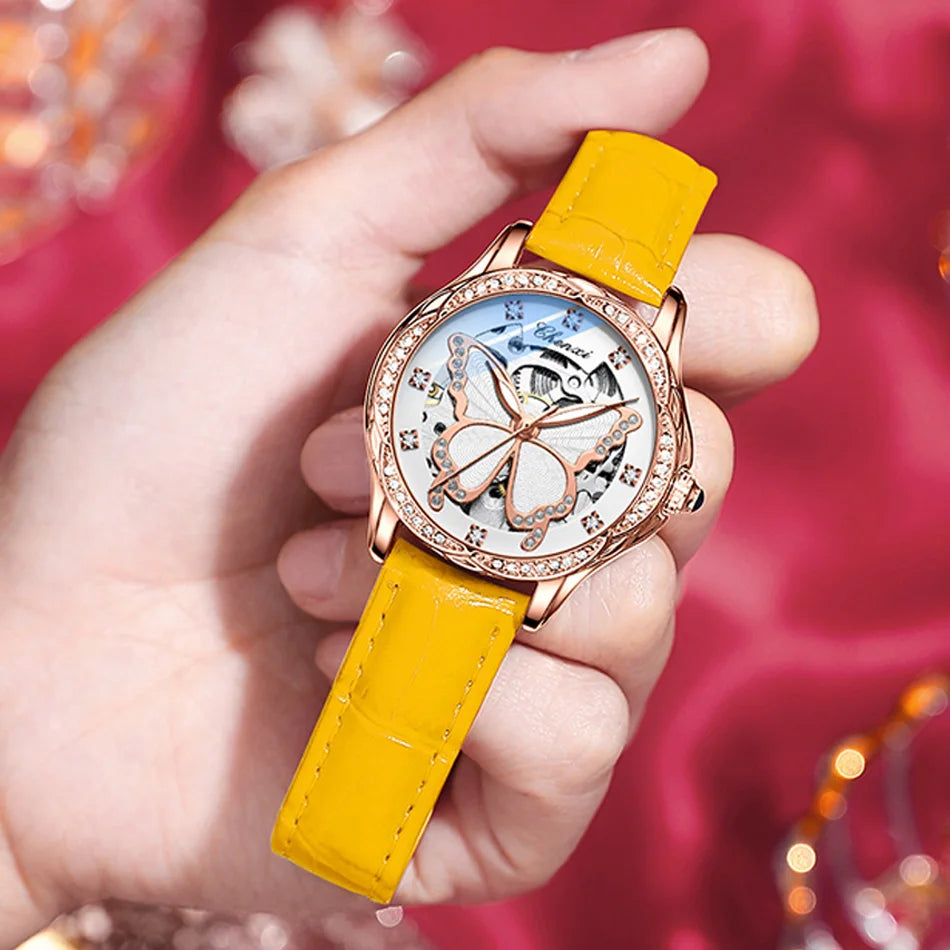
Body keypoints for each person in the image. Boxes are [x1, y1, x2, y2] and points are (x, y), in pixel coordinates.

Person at [0, 29, 818, 945]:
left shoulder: (532, 326)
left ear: (656, 480)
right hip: (461, 493)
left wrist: (20, 812)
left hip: (495, 493)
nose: (535, 416)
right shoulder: (507, 315)